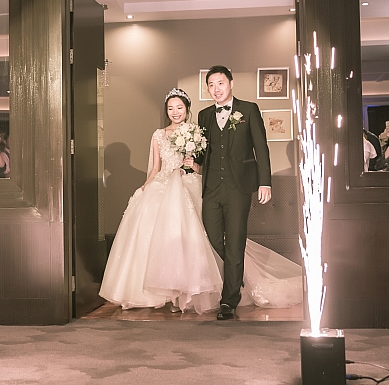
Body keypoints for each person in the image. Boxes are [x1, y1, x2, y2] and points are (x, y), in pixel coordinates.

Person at [99, 88, 301, 315]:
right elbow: (155, 167)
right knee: (157, 237)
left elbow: (205, 163)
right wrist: (146, 186)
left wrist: (193, 165)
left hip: (188, 182)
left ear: (187, 109)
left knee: (196, 237)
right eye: (170, 108)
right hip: (163, 183)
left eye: (179, 107)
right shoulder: (158, 135)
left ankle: (191, 293)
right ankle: (162, 292)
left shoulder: (196, 131)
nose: (175, 112)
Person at [196, 65, 273, 321]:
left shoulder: (248, 110)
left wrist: (265, 182)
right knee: (213, 237)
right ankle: (236, 275)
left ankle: (228, 300)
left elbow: (261, 147)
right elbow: (203, 151)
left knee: (236, 241)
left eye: (220, 83)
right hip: (211, 187)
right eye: (211, 85)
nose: (216, 89)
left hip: (238, 188)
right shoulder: (204, 115)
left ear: (231, 83)